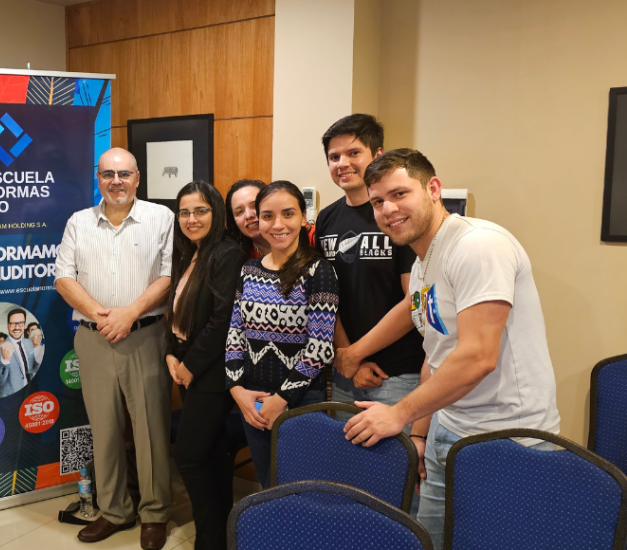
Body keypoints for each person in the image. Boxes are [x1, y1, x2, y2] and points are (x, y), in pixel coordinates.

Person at [343, 148, 561, 549]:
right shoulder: (426, 259)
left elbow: (478, 356)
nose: (388, 209)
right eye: (377, 202)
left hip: (508, 439)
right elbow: (435, 345)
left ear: (433, 189)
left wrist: (399, 414)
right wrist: (423, 432)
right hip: (451, 427)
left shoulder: (478, 246)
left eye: (399, 194)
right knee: (429, 540)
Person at [55, 147, 174, 549]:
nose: (116, 181)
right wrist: (102, 315)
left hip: (145, 334)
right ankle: (115, 509)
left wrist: (129, 314)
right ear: (98, 177)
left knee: (151, 427)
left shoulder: (162, 218)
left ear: (138, 178)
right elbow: (63, 278)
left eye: (124, 174)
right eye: (108, 174)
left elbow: (168, 276)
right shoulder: (78, 222)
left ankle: (155, 513)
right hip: (93, 338)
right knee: (103, 428)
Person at [225, 181, 339, 489]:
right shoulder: (249, 270)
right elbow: (235, 333)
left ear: (304, 218)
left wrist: (282, 398)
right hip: (254, 398)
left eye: (288, 214)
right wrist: (237, 389)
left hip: (301, 399)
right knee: (268, 484)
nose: (278, 224)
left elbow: (319, 349)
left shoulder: (319, 271)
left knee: (301, 488)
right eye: (268, 216)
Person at [313, 115, 425, 427]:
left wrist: (355, 354)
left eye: (353, 153)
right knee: (345, 468)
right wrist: (348, 357)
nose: (342, 164)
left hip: (396, 374)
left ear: (377, 155)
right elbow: (325, 297)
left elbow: (412, 301)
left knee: (395, 472)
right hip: (346, 372)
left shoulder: (397, 215)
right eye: (334, 157)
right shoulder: (326, 219)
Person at [166, 182, 247, 550]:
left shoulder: (227, 252)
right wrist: (171, 352)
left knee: (189, 456)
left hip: (211, 372)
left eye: (200, 211)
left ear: (216, 213)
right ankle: (220, 536)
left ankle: (210, 540)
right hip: (186, 364)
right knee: (213, 455)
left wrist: (191, 366)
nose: (191, 218)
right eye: (184, 211)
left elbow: (223, 319)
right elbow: (176, 310)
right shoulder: (188, 253)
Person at [0, 308, 44, 398]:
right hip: (11, 397)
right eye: (13, 323)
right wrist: (5, 361)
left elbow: (33, 365)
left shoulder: (29, 343)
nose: (17, 327)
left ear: (24, 325)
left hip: (31, 392)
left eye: (21, 323)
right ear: (8, 325)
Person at [224, 179, 269, 259]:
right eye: (240, 212)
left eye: (255, 206)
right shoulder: (237, 257)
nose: (248, 215)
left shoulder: (294, 245)